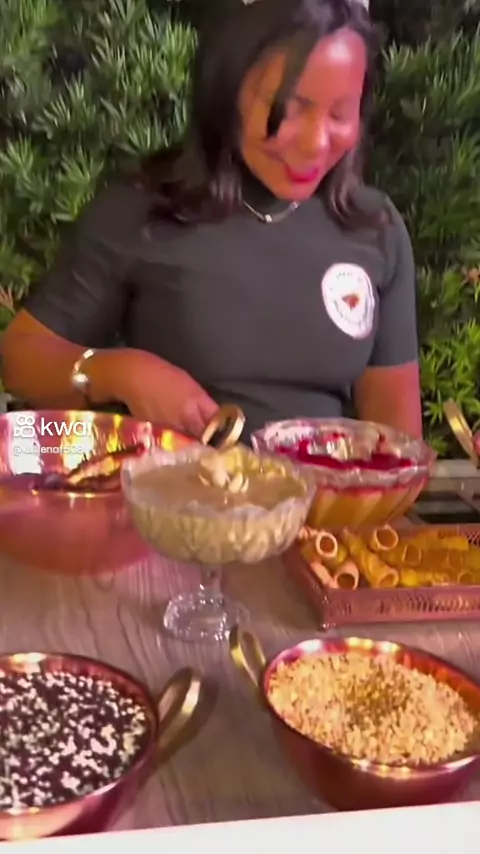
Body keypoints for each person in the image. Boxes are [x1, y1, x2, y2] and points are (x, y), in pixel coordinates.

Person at [1, 0, 423, 442]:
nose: (316, 143)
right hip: (179, 483)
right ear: (227, 91)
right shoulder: (144, 211)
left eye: (340, 113)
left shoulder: (374, 228)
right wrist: (118, 372)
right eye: (289, 109)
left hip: (320, 488)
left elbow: (397, 440)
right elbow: (22, 359)